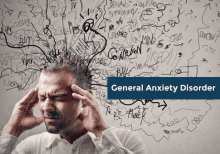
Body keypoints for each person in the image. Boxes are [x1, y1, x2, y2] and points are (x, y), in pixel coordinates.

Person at [0, 56, 146, 154]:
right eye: (42, 97)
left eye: (58, 98)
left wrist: (100, 131)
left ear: (83, 97)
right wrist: (13, 129)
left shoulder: (126, 141)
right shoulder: (32, 147)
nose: (46, 107)